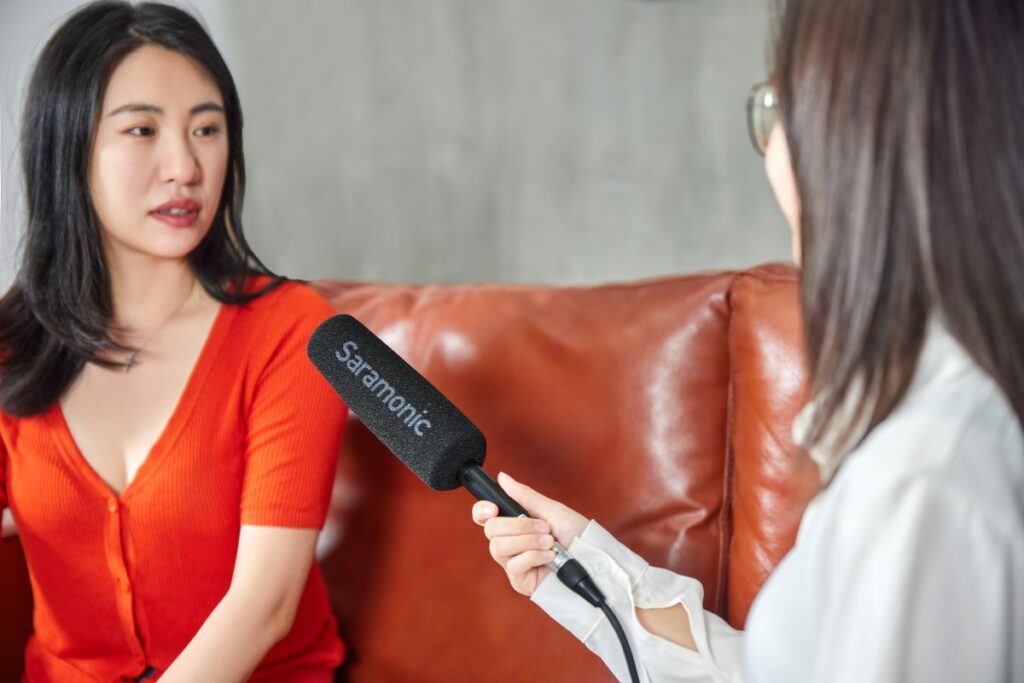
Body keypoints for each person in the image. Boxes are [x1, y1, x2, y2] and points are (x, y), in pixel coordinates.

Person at [472, 0, 1024, 680]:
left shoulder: (926, 478)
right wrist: (591, 571)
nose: (774, 146)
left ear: (851, 134)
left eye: (777, 106)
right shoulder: (941, 427)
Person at [0, 2, 347, 681]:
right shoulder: (13, 346)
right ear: (67, 146)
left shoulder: (292, 332)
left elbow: (264, 604)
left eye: (207, 129)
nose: (184, 166)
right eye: (142, 129)